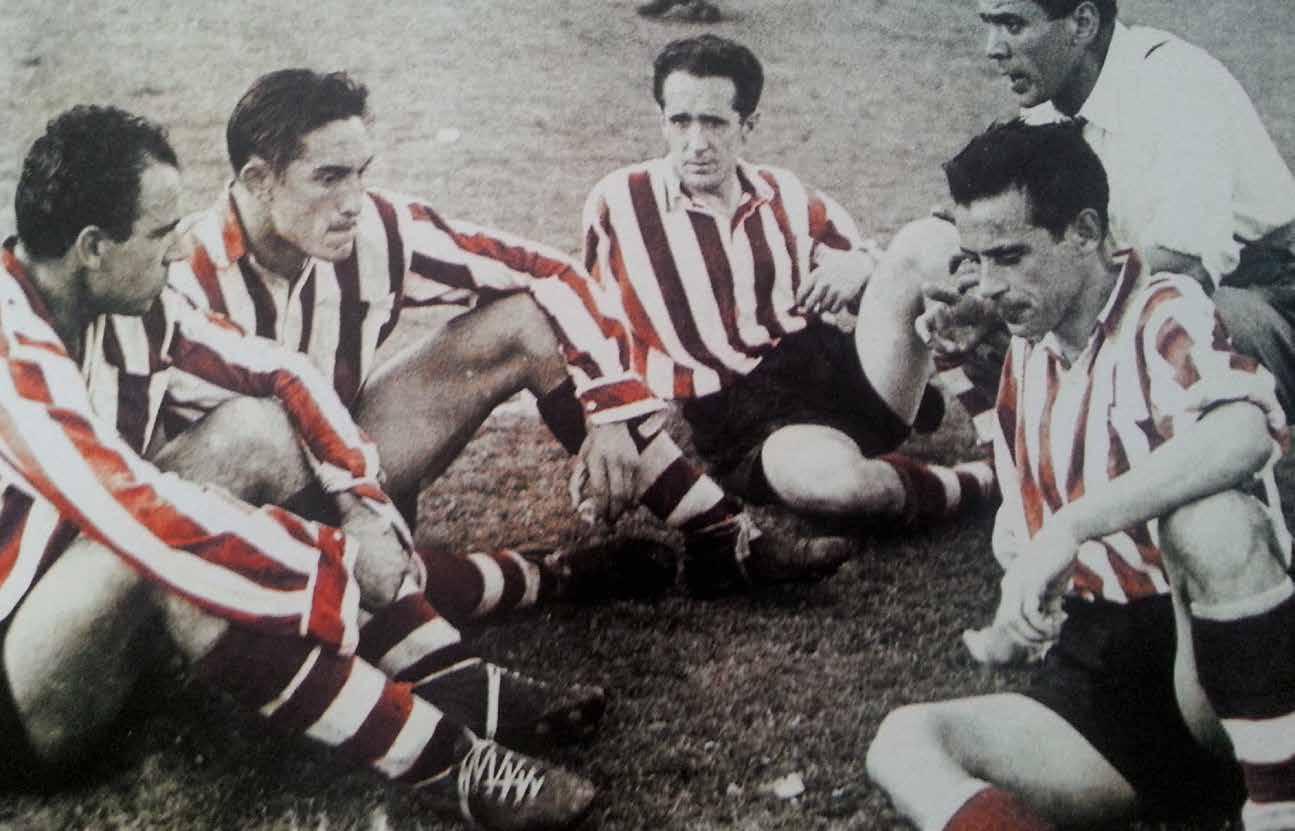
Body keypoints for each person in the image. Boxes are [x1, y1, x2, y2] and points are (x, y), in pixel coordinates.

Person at [0, 105, 601, 831]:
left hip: (95, 616)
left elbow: (281, 373)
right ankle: (450, 762)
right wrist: (330, 562)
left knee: (257, 430)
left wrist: (359, 504)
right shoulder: (10, 341)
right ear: (93, 247)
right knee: (172, 550)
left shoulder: (125, 303)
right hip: (21, 695)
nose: (177, 248)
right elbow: (135, 516)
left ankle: (451, 677)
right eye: (160, 233)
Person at [167, 68, 850, 604]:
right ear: (258, 180)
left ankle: (720, 534)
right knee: (258, 433)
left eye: (361, 173)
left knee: (525, 318)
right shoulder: (176, 275)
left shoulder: (375, 229)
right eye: (328, 178)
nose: (354, 202)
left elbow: (551, 271)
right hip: (228, 517)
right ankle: (544, 576)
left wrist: (609, 408)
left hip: (353, 473)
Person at [867, 120, 1295, 830]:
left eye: (1010, 256)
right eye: (977, 260)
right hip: (1100, 665)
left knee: (1208, 519)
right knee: (906, 742)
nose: (990, 285)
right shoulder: (1031, 347)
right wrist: (1016, 617)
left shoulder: (1161, 309)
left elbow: (1244, 430)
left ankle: (1278, 806)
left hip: (1213, 651)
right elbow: (1022, 500)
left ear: (1085, 231)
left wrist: (1073, 525)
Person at [569, 34, 996, 593]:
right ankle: (987, 481)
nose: (696, 143)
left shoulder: (783, 191)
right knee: (839, 490)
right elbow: (590, 322)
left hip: (843, 372)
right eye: (680, 121)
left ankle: (1013, 418)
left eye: (715, 123)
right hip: (751, 421)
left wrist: (860, 264)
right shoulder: (621, 201)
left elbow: (868, 265)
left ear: (748, 125)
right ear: (662, 120)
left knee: (930, 240)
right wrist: (607, 423)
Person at [939, 0, 1295, 443]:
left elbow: (1189, 266)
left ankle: (1199, 462)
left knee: (1167, 322)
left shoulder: (1176, 84)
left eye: (1012, 24)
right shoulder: (1048, 107)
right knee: (966, 284)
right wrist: (987, 288)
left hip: (1265, 291)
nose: (992, 48)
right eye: (990, 25)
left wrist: (1048, 296)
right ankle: (1036, 455)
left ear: (1083, 22)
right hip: (1143, 279)